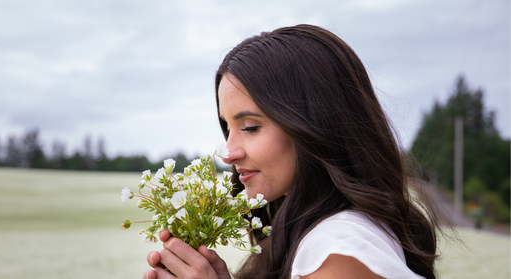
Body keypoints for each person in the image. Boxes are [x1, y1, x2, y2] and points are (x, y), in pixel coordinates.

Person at [143, 24, 440, 279]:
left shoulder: (339, 250)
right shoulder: (324, 236)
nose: (228, 153)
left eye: (250, 126)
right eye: (227, 127)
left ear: (314, 125)